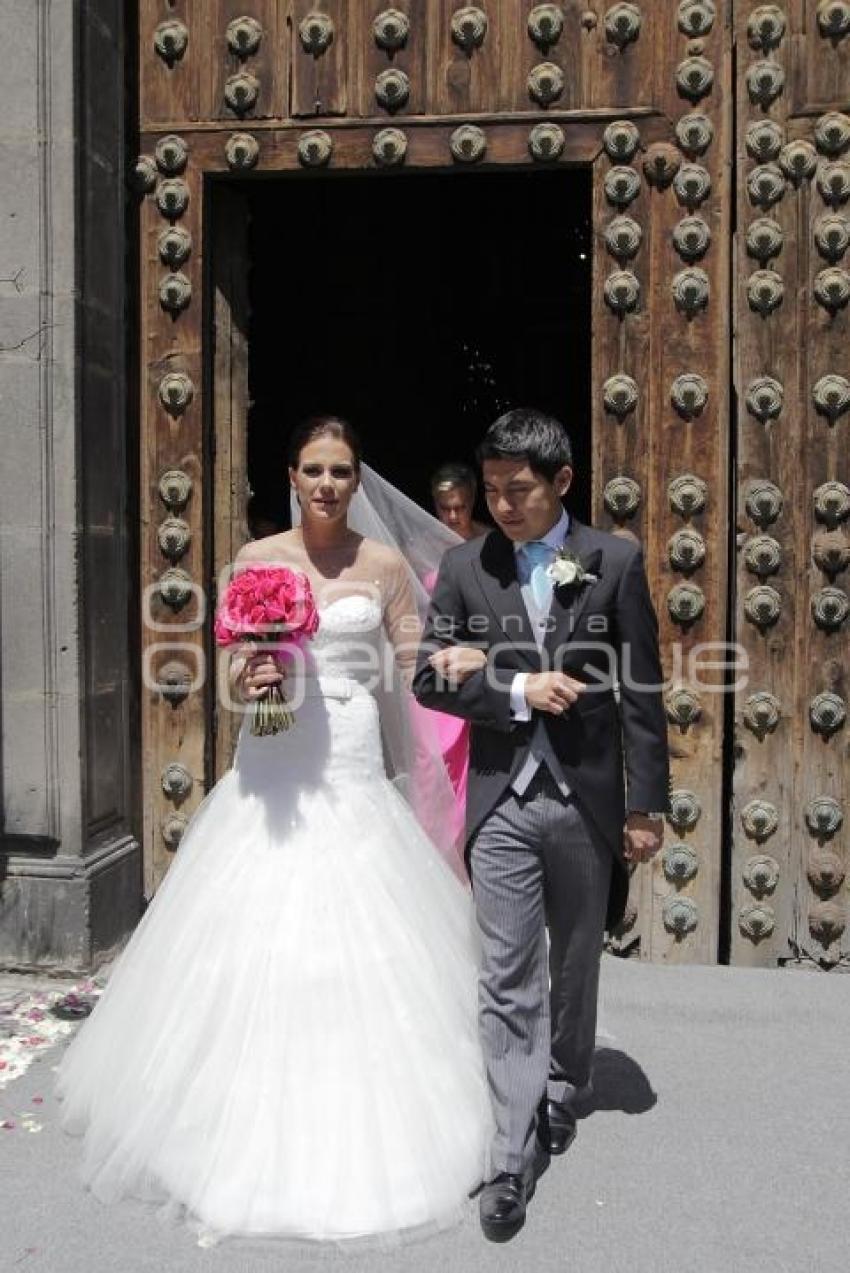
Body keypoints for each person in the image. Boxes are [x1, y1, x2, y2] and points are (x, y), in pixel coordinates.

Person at [56, 416, 493, 1245]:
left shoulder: (386, 565)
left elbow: (412, 664)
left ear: (358, 479)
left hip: (354, 751)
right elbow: (230, 669)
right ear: (291, 475)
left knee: (359, 926)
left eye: (342, 471)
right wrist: (249, 668)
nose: (328, 484)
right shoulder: (257, 563)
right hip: (274, 751)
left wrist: (469, 664)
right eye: (314, 470)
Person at [413, 408, 670, 1243]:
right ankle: (510, 1148)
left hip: (587, 798)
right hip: (500, 801)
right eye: (489, 491)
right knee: (507, 970)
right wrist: (516, 689)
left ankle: (566, 1081)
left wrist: (643, 805)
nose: (501, 505)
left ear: (561, 482)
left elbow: (642, 694)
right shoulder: (462, 565)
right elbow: (427, 679)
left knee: (575, 959)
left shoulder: (613, 562)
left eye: (516, 490)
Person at [430, 462, 489, 541]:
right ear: (435, 504)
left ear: (472, 501)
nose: (453, 517)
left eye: (460, 508)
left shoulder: (490, 541)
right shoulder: (422, 543)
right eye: (444, 508)